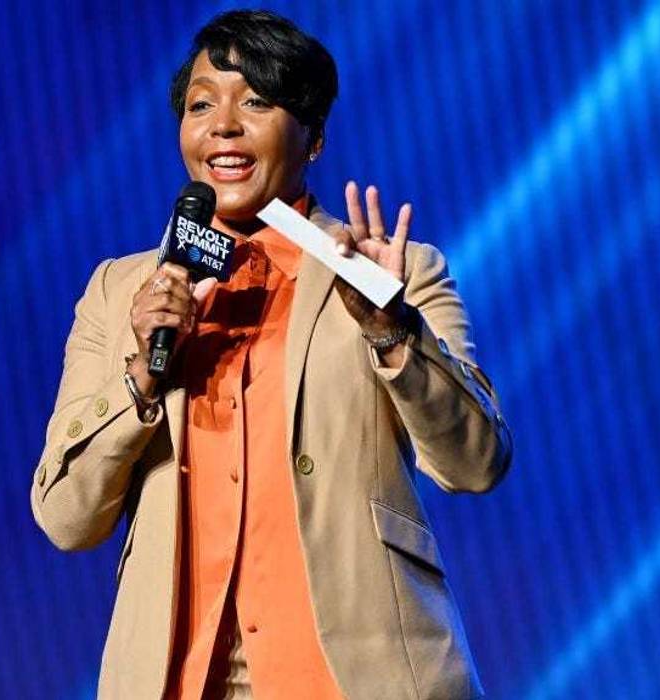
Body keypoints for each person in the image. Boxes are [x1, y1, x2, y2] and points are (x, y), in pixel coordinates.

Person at [30, 10, 513, 699]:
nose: (222, 125)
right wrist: (140, 374)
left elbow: (475, 464)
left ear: (312, 136)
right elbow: (65, 517)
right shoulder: (120, 292)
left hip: (355, 676)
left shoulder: (392, 272)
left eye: (256, 101)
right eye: (201, 104)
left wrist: (388, 329)